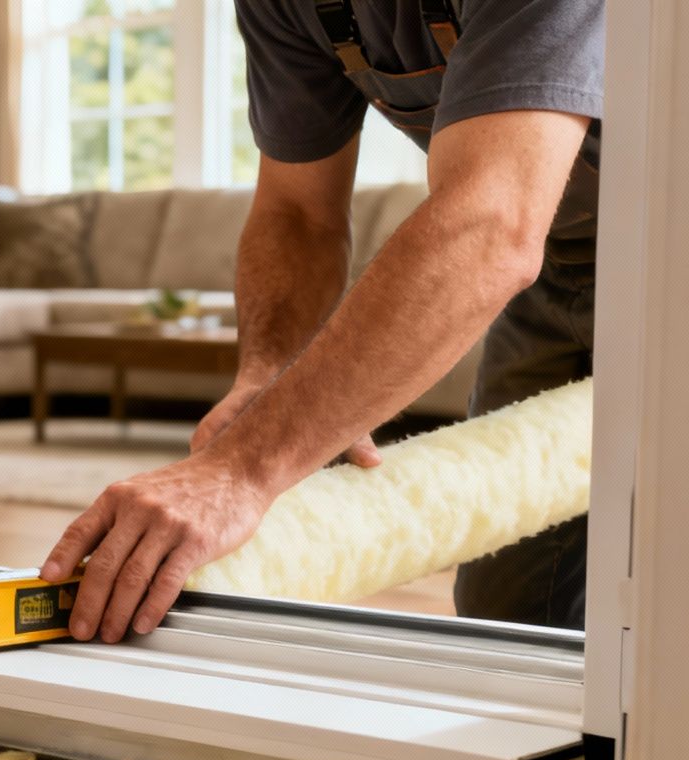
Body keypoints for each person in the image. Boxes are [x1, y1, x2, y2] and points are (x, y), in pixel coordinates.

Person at [39, 0, 603, 641]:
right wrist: (268, 377)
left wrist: (238, 474)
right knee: (515, 613)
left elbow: (491, 225)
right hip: (559, 277)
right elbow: (298, 214)